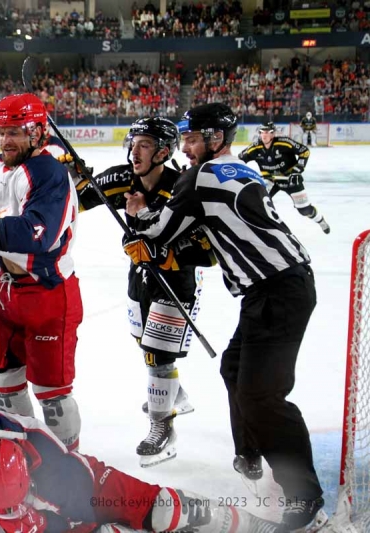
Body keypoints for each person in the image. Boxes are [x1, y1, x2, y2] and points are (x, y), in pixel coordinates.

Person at [124, 103, 326, 532]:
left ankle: (305, 499)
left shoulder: (198, 176)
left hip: (277, 291)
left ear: (216, 139)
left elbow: (160, 230)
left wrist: (139, 212)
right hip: (276, 287)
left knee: (263, 396)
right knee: (234, 367)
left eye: (194, 139)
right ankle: (250, 452)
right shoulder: (241, 169)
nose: (187, 147)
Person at [0, 386, 284, 533]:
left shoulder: (29, 437)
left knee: (167, 509)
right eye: (5, 509)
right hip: (68, 525)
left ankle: (247, 524)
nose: (12, 510)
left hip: (96, 487)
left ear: (27, 473)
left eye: (14, 504)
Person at [75, 117, 215, 467]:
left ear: (164, 152)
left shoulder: (183, 186)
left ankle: (162, 428)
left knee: (157, 355)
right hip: (140, 274)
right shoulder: (123, 177)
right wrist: (76, 176)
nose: (134, 151)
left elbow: (206, 247)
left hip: (175, 277)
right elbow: (78, 200)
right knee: (144, 343)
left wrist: (144, 214)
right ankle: (171, 394)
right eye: (133, 143)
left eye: (145, 145)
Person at [0, 93, 83, 451]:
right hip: (5, 290)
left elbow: (38, 232)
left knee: (52, 395)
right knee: (3, 381)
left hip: (48, 292)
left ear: (38, 132)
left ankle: (68, 464)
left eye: (15, 131)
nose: (6, 140)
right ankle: (26, 453)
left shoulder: (50, 173)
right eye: (1, 131)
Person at [238, 121, 330, 234]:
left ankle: (320, 220)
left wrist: (297, 170)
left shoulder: (284, 143)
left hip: (290, 179)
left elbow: (304, 151)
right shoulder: (255, 147)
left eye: (267, 132)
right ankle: (262, 230)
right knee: (258, 202)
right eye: (262, 132)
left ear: (273, 134)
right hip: (270, 180)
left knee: (305, 210)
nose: (264, 135)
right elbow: (239, 161)